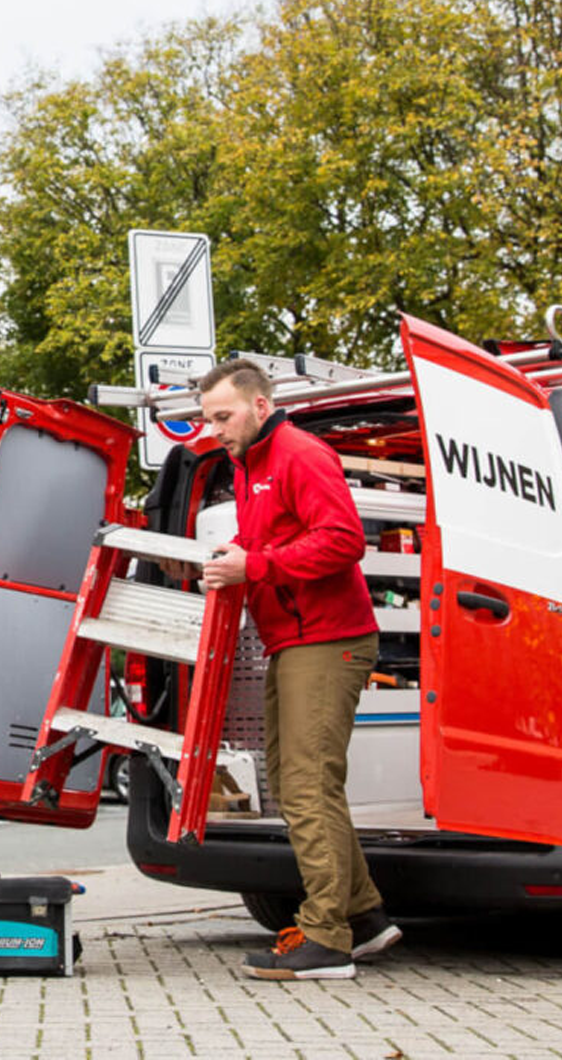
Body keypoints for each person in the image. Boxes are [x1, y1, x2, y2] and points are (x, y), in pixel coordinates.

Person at [197, 358, 402, 981]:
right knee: (292, 784)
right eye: (208, 420)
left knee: (308, 785)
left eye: (223, 416)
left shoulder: (299, 453)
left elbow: (343, 539)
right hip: (294, 639)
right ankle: (364, 918)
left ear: (261, 405)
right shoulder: (250, 466)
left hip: (329, 638)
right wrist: (237, 561)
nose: (215, 431)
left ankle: (326, 939)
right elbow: (275, 547)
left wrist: (251, 567)